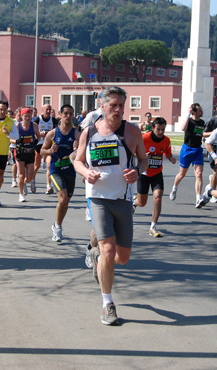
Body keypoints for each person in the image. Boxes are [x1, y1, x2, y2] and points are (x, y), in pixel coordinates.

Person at [73, 86, 148, 326]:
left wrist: (137, 171)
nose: (117, 110)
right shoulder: (90, 132)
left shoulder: (132, 132)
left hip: (123, 198)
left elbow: (144, 160)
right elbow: (78, 160)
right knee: (108, 249)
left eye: (121, 106)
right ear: (102, 106)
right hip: (97, 198)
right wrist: (86, 172)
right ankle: (108, 304)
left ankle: (96, 257)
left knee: (122, 257)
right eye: (113, 105)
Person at [41, 104, 80, 242]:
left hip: (70, 170)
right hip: (56, 170)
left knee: (66, 202)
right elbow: (41, 151)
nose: (68, 116)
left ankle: (57, 224)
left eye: (71, 113)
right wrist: (50, 151)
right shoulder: (52, 133)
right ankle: (58, 229)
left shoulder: (76, 134)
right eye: (66, 113)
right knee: (62, 199)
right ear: (60, 114)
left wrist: (77, 149)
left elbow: (84, 151)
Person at [132, 117, 175, 237]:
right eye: (158, 129)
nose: (161, 132)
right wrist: (141, 155)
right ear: (153, 128)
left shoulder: (166, 140)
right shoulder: (144, 138)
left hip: (157, 173)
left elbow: (167, 151)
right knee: (142, 202)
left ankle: (153, 226)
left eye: (163, 129)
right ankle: (134, 203)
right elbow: (133, 151)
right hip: (144, 173)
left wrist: (170, 157)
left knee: (158, 197)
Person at [169, 103, 205, 208]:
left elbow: (200, 134)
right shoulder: (189, 121)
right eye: (199, 110)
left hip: (198, 150)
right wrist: (188, 115)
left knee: (199, 174)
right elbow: (182, 128)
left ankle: (198, 199)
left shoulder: (202, 122)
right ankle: (174, 188)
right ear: (194, 112)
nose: (202, 112)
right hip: (187, 149)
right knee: (182, 174)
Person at [13, 108, 40, 202]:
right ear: (22, 116)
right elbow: (9, 139)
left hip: (30, 152)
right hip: (20, 152)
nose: (27, 118)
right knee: (21, 175)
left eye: (29, 116)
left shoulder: (34, 125)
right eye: (25, 116)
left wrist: (37, 140)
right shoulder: (17, 126)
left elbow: (38, 135)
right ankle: (21, 195)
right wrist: (17, 141)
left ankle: (25, 183)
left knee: (29, 177)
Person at [33, 103, 59, 195]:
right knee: (37, 165)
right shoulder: (38, 119)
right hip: (40, 144)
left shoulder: (53, 120)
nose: (48, 111)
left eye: (49, 109)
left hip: (48, 144)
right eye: (46, 109)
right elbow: (33, 131)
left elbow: (57, 131)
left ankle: (48, 186)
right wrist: (39, 134)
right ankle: (32, 180)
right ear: (42, 110)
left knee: (49, 165)